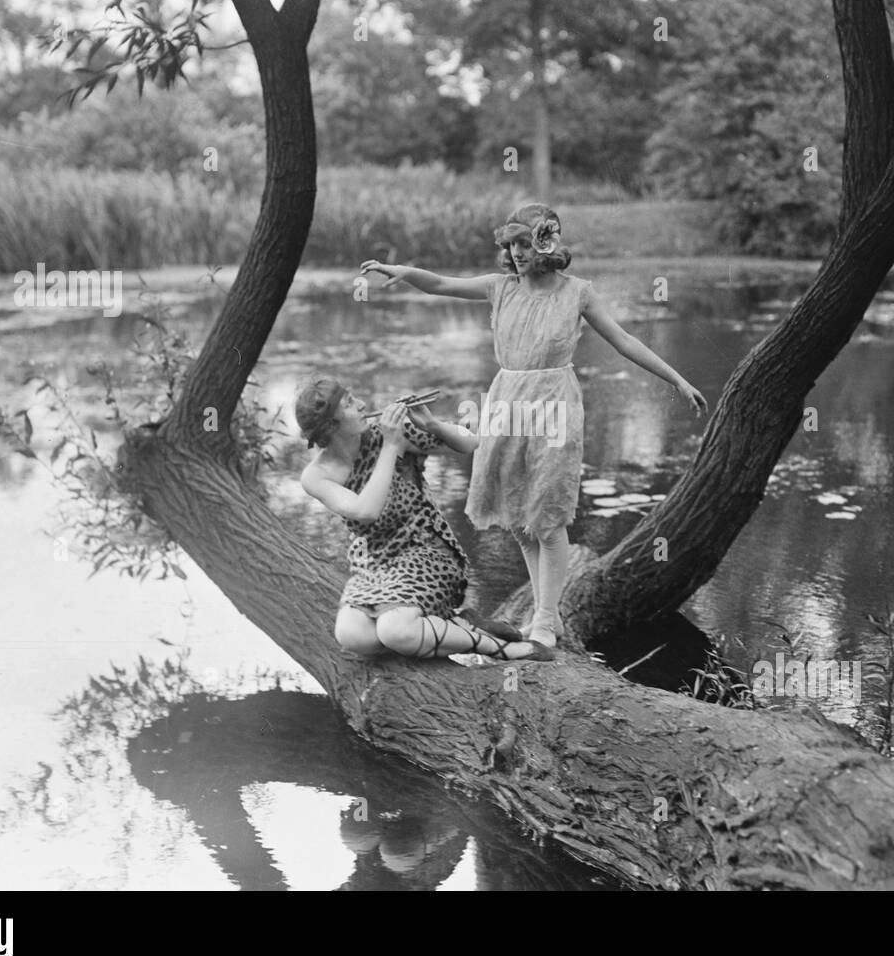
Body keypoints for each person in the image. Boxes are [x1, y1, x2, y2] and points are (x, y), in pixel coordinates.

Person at [359, 203, 708, 647]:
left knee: (548, 514)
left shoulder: (576, 292)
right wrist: (402, 271)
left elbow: (624, 341)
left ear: (547, 242)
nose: (517, 252)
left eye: (525, 243)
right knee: (518, 518)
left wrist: (676, 379)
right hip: (507, 405)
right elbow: (441, 284)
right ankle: (547, 616)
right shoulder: (500, 288)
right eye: (511, 244)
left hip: (554, 408)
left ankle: (545, 617)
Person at [296, 377, 555, 662]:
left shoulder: (390, 434)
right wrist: (390, 447)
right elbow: (365, 511)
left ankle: (500, 648)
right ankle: (458, 625)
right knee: (353, 637)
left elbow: (470, 443)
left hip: (426, 550)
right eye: (348, 403)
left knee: (395, 631)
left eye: (353, 396)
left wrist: (433, 425)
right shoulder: (316, 475)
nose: (360, 404)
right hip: (374, 563)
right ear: (330, 425)